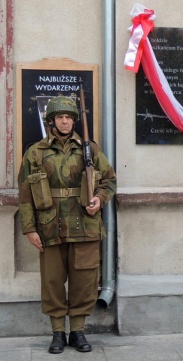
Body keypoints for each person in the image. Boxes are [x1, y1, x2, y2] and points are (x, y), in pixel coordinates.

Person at [17, 96, 117, 354]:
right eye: (60, 117)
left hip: (85, 224)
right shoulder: (36, 152)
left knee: (84, 280)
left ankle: (78, 331)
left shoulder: (90, 149)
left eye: (69, 117)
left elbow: (109, 181)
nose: (65, 121)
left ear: (74, 120)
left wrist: (99, 198)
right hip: (50, 226)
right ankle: (58, 332)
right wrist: (29, 228)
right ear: (51, 121)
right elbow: (25, 193)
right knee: (52, 281)